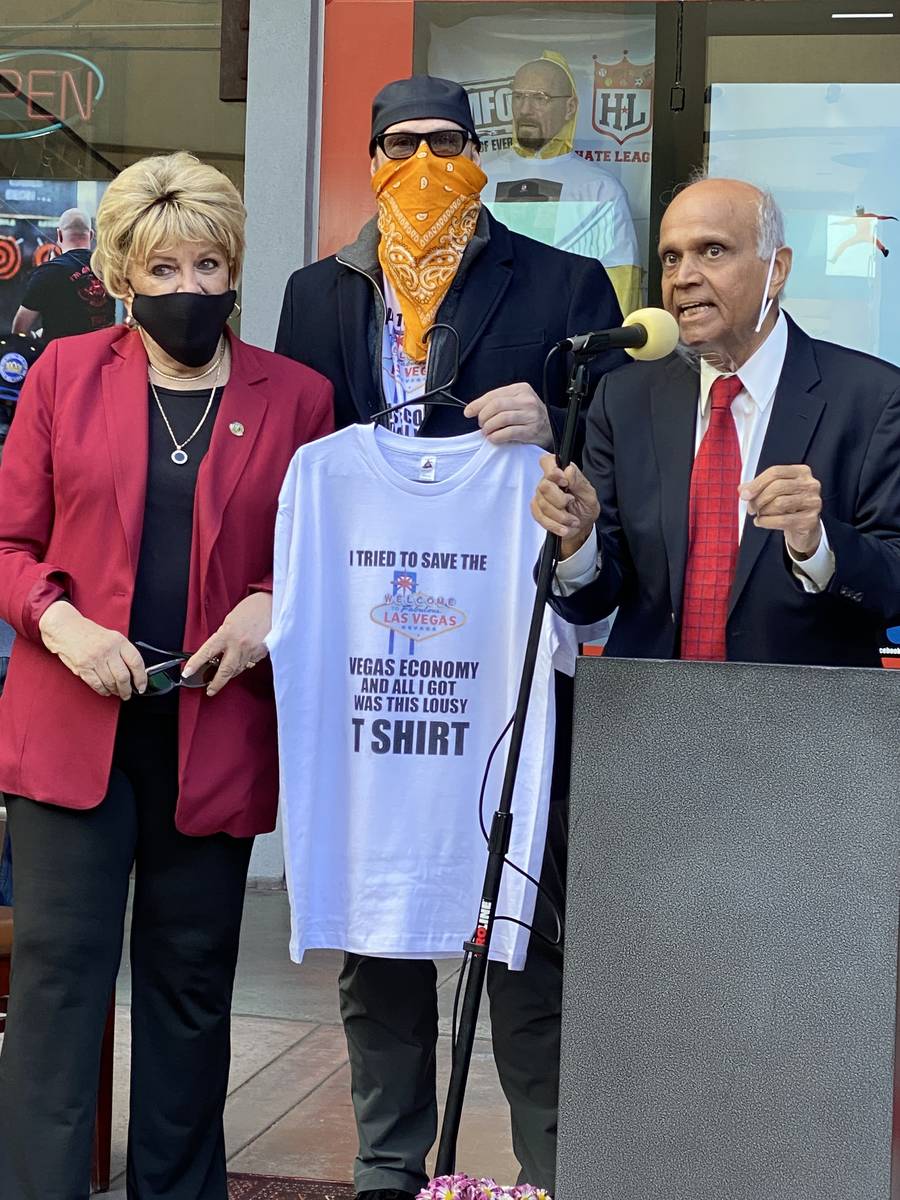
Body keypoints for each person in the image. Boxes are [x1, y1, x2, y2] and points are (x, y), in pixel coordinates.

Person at [275, 75, 627, 1199]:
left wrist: (553, 418)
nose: (423, 162)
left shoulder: (564, 283)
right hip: (378, 654)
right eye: (400, 142)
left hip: (504, 653)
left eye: (445, 141)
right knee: (376, 923)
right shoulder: (315, 294)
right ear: (371, 156)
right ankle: (388, 1166)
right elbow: (302, 462)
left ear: (479, 152)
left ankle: (550, 1170)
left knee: (522, 923)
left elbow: (616, 448)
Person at [0, 150, 333, 1200]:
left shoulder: (299, 397)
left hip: (213, 724)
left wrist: (272, 604)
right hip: (73, 726)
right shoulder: (63, 375)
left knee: (190, 988)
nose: (188, 288)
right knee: (58, 984)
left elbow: (321, 550)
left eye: (207, 266)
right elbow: (9, 542)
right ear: (122, 275)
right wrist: (61, 626)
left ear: (233, 269)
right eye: (163, 269)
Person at [532, 177, 900, 665]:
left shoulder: (872, 398)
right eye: (671, 258)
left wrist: (817, 544)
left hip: (803, 706)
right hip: (651, 704)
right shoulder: (624, 398)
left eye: (712, 251)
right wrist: (578, 540)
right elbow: (592, 602)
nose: (683, 276)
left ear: (776, 270)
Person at [486, 52, 641, 315]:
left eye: (540, 98)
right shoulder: (480, 182)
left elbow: (619, 289)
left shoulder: (601, 191)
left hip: (566, 334)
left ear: (570, 107)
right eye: (519, 97)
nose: (525, 109)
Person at [13, 207, 115, 342]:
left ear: (59, 235)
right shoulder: (111, 268)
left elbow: (19, 330)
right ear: (91, 235)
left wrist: (36, 336)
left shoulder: (46, 272)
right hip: (106, 352)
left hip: (63, 354)